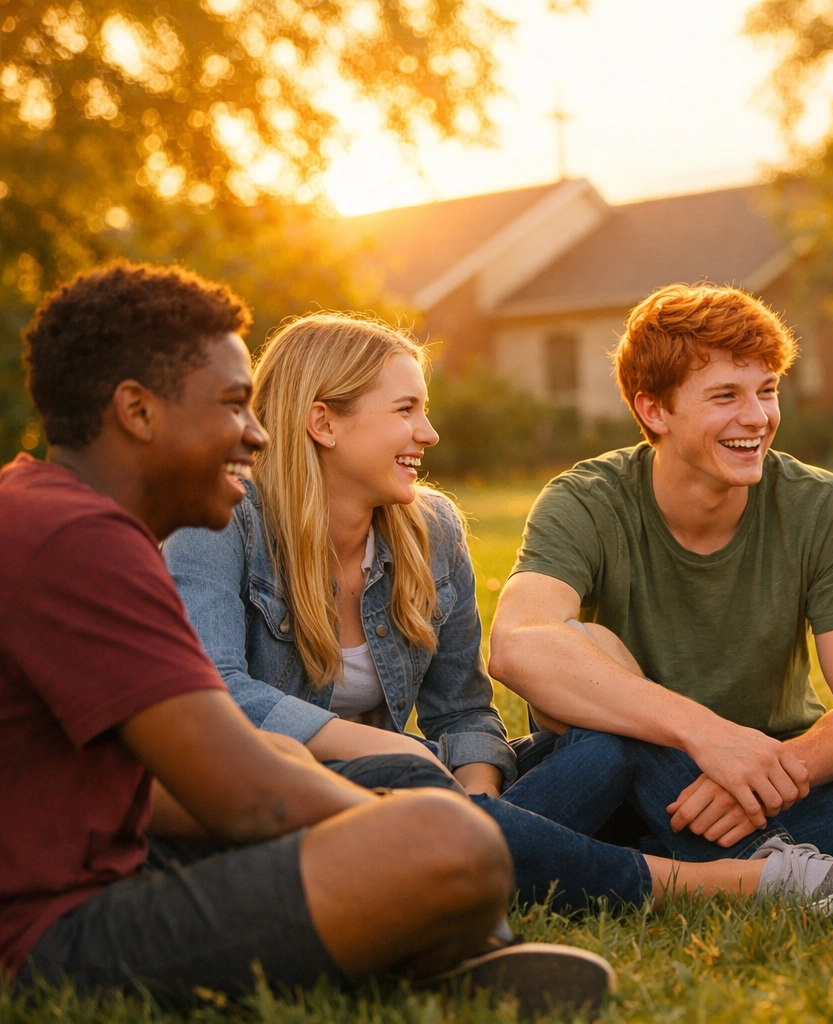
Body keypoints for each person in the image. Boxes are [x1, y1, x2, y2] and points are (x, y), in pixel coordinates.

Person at [0, 263, 612, 1008]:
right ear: (138, 410)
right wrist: (420, 833)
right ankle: (454, 936)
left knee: (337, 770)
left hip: (115, 859)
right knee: (442, 834)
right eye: (234, 406)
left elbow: (166, 781)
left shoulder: (49, 512)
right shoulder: (75, 541)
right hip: (50, 934)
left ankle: (432, 936)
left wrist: (400, 808)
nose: (256, 433)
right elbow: (245, 800)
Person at [163, 311, 833, 915]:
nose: (430, 434)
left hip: (429, 794)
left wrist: (478, 797)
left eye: (766, 390)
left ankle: (500, 851)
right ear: (324, 423)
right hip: (294, 797)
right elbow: (219, 691)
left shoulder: (430, 529)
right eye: (407, 410)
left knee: (609, 741)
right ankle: (726, 879)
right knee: (450, 776)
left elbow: (462, 712)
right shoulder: (217, 522)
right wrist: (381, 753)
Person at [489, 283, 833, 864]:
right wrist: (703, 736)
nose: (757, 417)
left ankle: (624, 856)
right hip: (634, 752)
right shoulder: (588, 499)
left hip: (774, 771)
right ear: (654, 409)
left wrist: (763, 775)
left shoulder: (820, 505)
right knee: (586, 666)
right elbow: (517, 644)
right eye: (725, 395)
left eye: (767, 391)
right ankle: (753, 862)